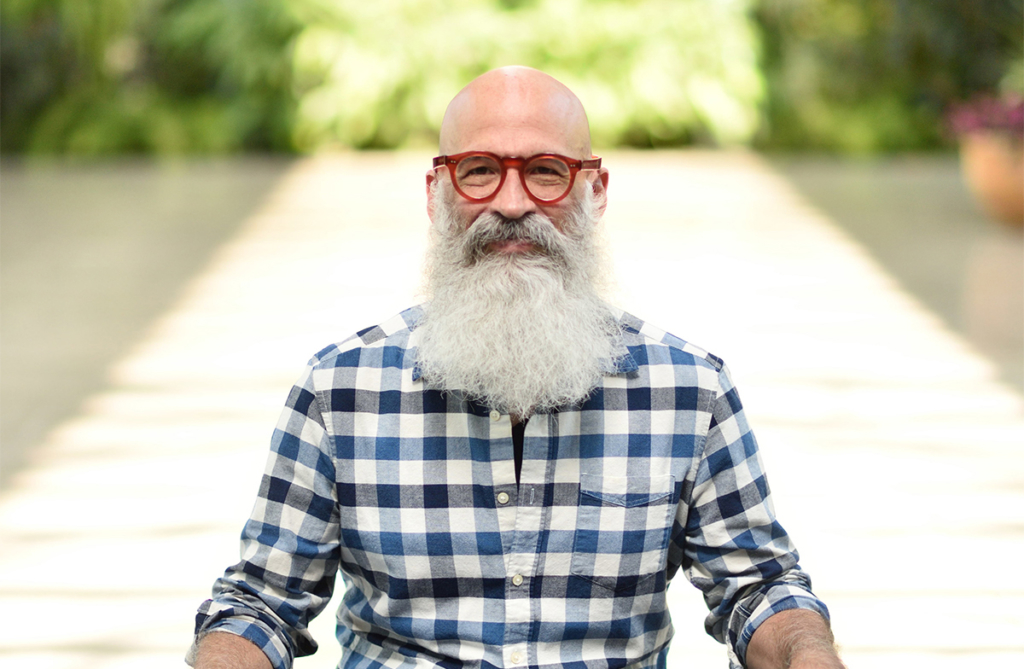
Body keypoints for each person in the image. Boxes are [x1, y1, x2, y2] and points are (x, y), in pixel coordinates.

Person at [187, 66, 845, 669]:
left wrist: (807, 652)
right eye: (478, 170)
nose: (510, 203)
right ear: (436, 190)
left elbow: (757, 588)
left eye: (546, 171)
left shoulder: (691, 391)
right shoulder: (339, 390)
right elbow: (262, 602)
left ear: (595, 189)